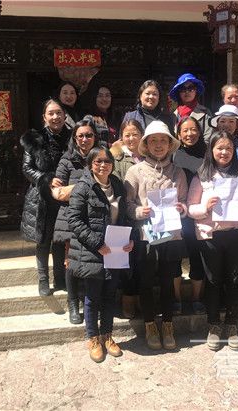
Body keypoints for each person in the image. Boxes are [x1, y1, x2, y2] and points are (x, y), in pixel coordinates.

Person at [187, 131, 238, 351]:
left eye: (228, 148)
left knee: (236, 279)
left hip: (237, 233)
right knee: (213, 280)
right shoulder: (202, 175)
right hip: (212, 235)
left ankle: (231, 325)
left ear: (234, 150)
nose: (224, 152)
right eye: (219, 148)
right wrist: (205, 208)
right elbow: (191, 208)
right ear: (211, 150)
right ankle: (213, 325)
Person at [124, 120, 188, 351]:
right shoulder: (135, 171)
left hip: (170, 234)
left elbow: (184, 201)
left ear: (170, 144)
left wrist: (182, 208)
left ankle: (168, 324)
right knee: (146, 280)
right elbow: (127, 204)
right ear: (146, 145)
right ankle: (150, 324)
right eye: (153, 141)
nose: (159, 145)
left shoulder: (178, 172)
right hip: (146, 234)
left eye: (163, 140)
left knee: (169, 280)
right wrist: (138, 211)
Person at [67, 146, 134, 363]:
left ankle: (107, 335)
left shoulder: (117, 185)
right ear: (90, 164)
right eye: (98, 161)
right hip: (93, 252)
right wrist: (97, 244)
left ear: (112, 164)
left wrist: (130, 239)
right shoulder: (83, 187)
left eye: (107, 161)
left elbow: (124, 217)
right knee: (92, 296)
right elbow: (74, 220)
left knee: (109, 295)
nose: (103, 165)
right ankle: (93, 338)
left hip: (115, 250)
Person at [52, 119, 102, 324]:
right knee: (71, 262)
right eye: (80, 135)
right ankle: (73, 303)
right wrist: (85, 187)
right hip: (71, 217)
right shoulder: (67, 160)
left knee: (93, 260)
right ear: (74, 138)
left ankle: (93, 303)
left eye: (89, 135)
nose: (84, 139)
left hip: (96, 216)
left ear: (95, 137)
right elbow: (57, 192)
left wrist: (73, 189)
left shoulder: (101, 156)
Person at [21, 99, 70, 296]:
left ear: (65, 116)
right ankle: (43, 279)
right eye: (51, 113)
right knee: (43, 240)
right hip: (41, 197)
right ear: (44, 117)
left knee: (59, 239)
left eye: (59, 113)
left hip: (65, 196)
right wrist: (47, 179)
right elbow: (27, 168)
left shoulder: (72, 138)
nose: (55, 117)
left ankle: (60, 278)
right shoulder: (34, 139)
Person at [172, 116, 207, 315]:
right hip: (177, 213)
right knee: (175, 256)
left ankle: (197, 298)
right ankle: (176, 298)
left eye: (193, 129)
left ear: (199, 132)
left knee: (197, 255)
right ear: (178, 134)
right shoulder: (173, 154)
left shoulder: (208, 153)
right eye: (185, 130)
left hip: (201, 212)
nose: (189, 134)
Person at [110, 119, 144, 319]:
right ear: (121, 137)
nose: (131, 138)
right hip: (124, 219)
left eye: (135, 134)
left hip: (146, 219)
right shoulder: (117, 158)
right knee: (127, 263)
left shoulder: (149, 156)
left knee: (143, 262)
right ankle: (128, 301)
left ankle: (141, 299)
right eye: (127, 135)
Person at [169, 73, 213, 143]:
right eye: (183, 89)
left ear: (196, 91)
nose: (187, 92)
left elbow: (208, 138)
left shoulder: (205, 113)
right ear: (179, 93)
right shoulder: (173, 115)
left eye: (190, 88)